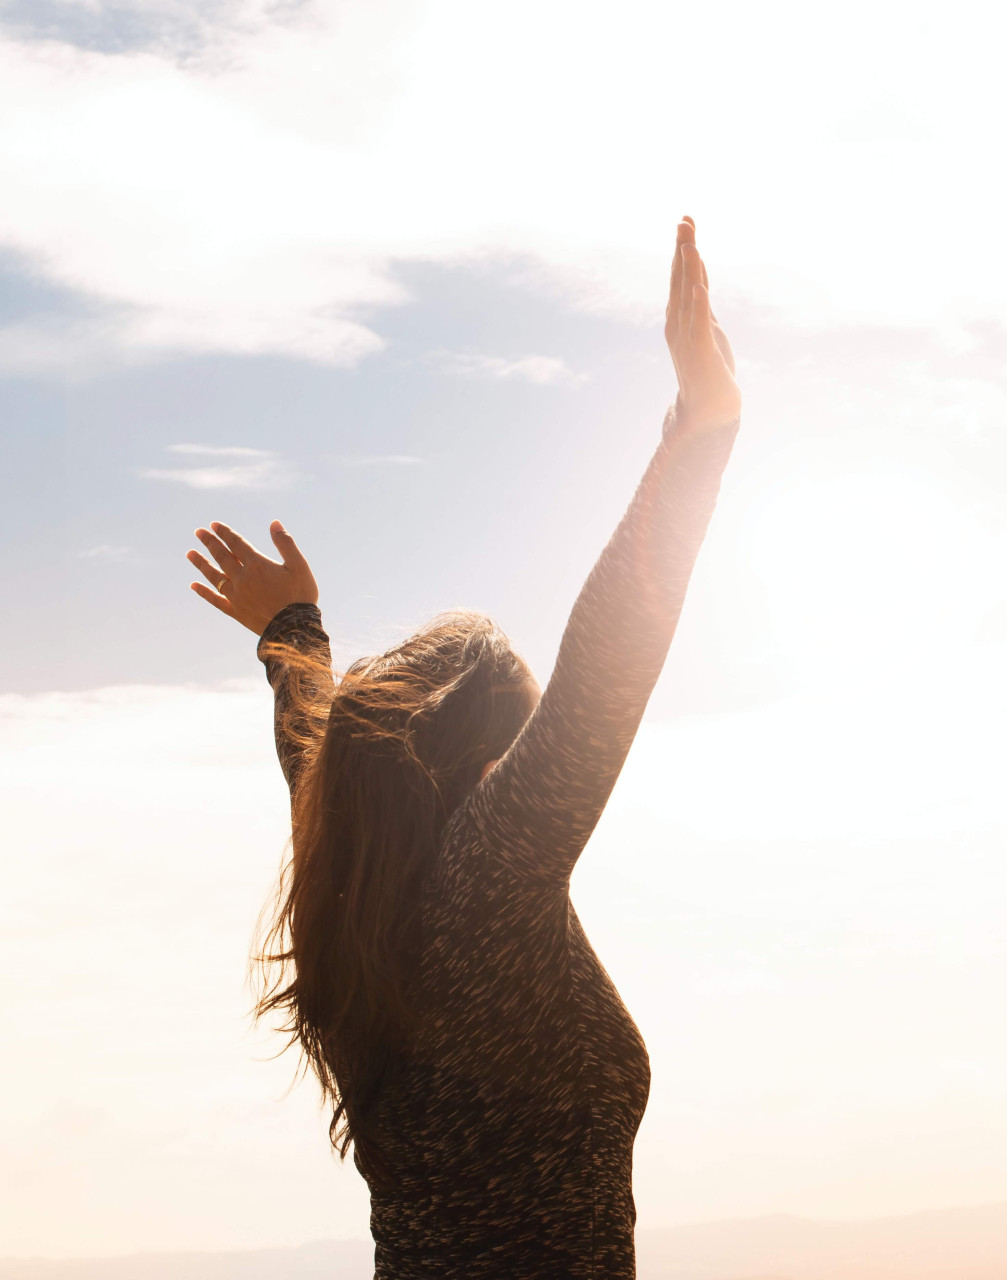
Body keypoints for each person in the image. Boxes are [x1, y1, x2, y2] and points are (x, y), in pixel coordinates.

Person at [182, 218, 740, 1279]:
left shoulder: (355, 890)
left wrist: (294, 633)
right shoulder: (484, 886)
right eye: (521, 747)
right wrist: (701, 430)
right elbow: (605, 669)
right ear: (484, 758)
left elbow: (315, 756)